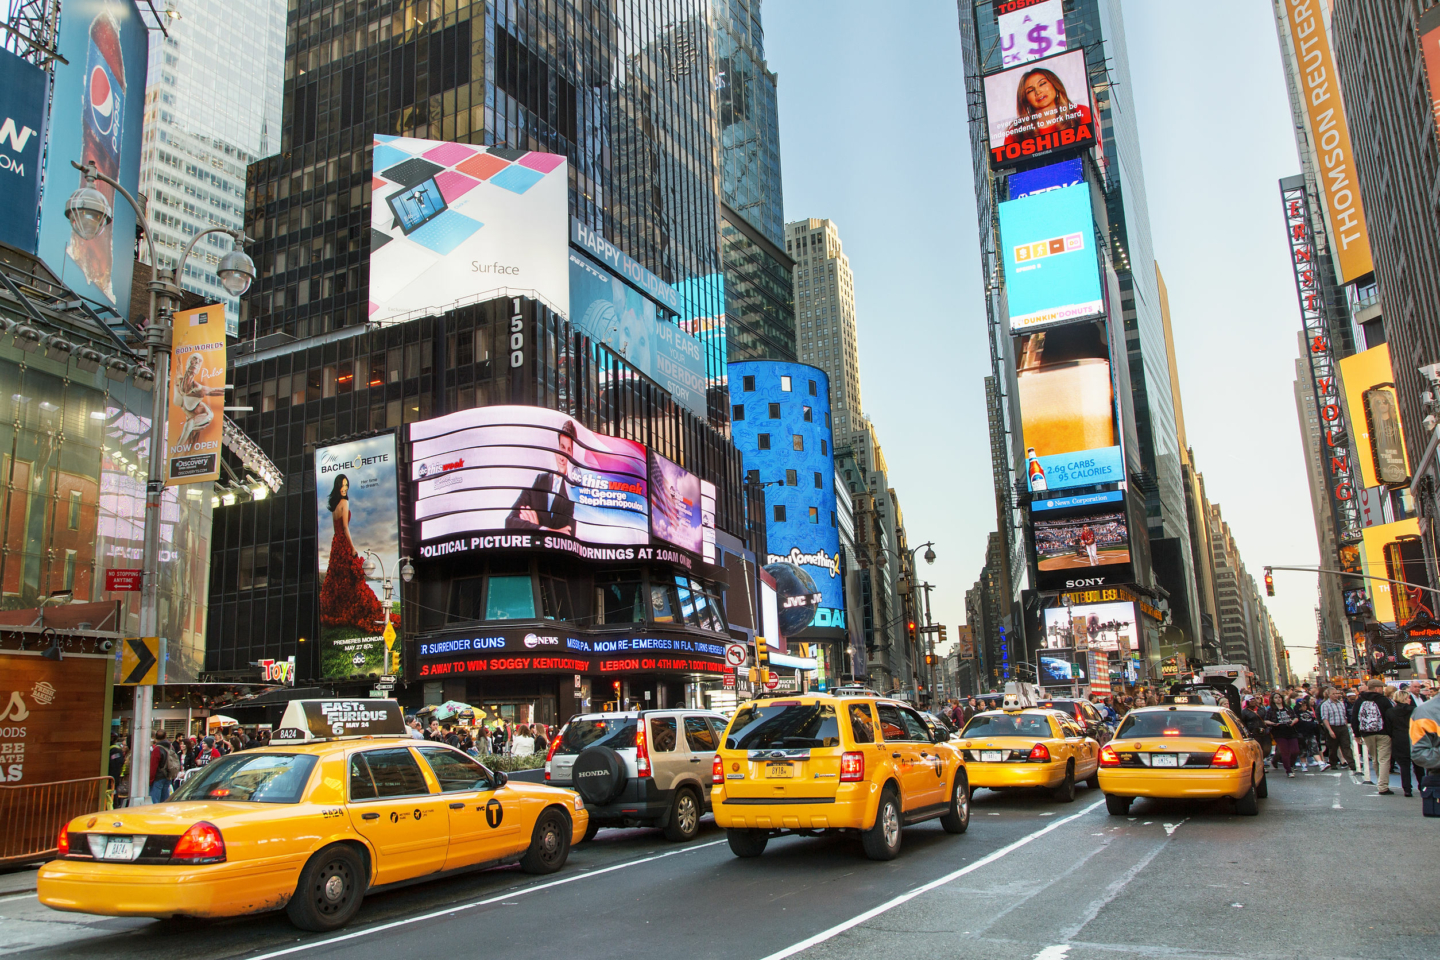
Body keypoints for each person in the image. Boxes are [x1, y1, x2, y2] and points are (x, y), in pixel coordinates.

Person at [319, 473, 388, 635]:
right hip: (342, 543)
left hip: (335, 546)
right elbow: (345, 528)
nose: (344, 489)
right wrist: (352, 548)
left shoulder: (334, 507)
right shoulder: (344, 502)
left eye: (346, 486)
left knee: (338, 579)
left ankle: (338, 610)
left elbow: (337, 530)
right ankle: (353, 610)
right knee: (351, 580)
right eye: (342, 485)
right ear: (337, 486)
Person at [506, 421, 578, 535]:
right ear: (556, 450)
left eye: (568, 450)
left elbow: (569, 534)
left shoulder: (573, 491)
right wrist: (540, 529)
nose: (563, 457)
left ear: (572, 455)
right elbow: (509, 521)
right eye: (562, 447)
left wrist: (535, 526)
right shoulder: (539, 481)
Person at [1003, 66, 1093, 147]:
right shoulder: (1016, 133)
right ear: (1026, 100)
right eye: (1030, 91)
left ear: (1055, 85)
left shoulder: (1080, 112)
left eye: (1042, 84)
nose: (1038, 92)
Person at [173, 351, 225, 448]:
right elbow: (179, 364)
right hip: (192, 415)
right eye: (194, 359)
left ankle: (177, 449)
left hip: (205, 415)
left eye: (199, 361)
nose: (196, 362)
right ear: (189, 362)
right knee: (190, 435)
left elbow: (218, 391)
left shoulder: (199, 389)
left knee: (189, 424)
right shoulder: (178, 381)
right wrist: (179, 347)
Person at [1354, 679, 1395, 794]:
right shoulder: (1383, 700)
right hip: (1383, 733)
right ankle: (1383, 786)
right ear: (1377, 688)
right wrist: (1391, 732)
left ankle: (1379, 781)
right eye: (1381, 687)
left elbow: (1354, 717)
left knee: (1375, 758)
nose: (1382, 690)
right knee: (1384, 759)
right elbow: (1390, 717)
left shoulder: (1360, 700)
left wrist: (1357, 734)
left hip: (1367, 734)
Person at [1388, 691, 1420, 798]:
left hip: (1399, 739)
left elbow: (1388, 728)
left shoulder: (1390, 712)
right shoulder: (1414, 711)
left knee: (1404, 766)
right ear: (1405, 699)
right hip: (1413, 737)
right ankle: (1422, 786)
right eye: (1408, 698)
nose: (1410, 700)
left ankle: (1407, 789)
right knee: (1418, 765)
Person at [1320, 686, 1356, 771]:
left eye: (1337, 693)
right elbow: (1325, 718)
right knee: (1333, 747)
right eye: (1333, 694)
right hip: (1333, 727)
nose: (1336, 695)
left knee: (1346, 745)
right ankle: (1333, 763)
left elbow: (1344, 716)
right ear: (1329, 695)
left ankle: (1352, 764)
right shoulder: (1325, 705)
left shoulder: (1341, 703)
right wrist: (1330, 730)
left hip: (1342, 726)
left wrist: (1346, 726)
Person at [1266, 695, 1301, 777]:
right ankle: (1288, 770)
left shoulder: (1287, 708)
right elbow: (1266, 720)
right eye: (1276, 698)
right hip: (1279, 731)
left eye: (1279, 697)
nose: (1278, 699)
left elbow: (1295, 717)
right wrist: (1273, 723)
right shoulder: (1270, 710)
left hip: (1290, 730)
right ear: (1273, 700)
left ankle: (1291, 764)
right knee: (1285, 752)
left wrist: (1292, 722)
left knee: (1295, 750)